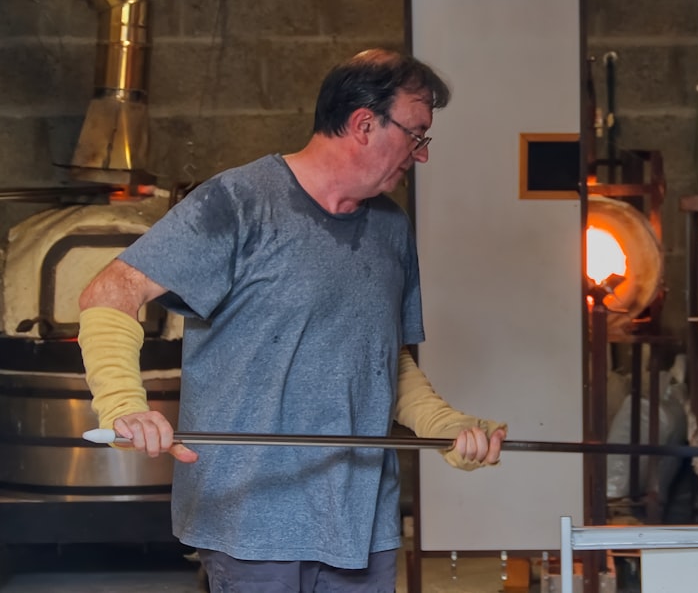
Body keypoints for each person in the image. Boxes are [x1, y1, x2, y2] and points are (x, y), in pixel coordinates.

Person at [77, 48, 507, 593]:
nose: (421, 154)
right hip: (253, 521)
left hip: (361, 521)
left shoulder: (391, 228)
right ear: (363, 123)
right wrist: (122, 405)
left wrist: (444, 425)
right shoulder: (238, 202)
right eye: (416, 134)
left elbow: (382, 359)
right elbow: (109, 292)